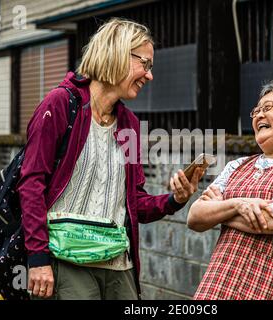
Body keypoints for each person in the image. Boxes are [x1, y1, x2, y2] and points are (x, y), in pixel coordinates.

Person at [17, 18, 203, 300]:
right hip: (66, 262)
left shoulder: (129, 124)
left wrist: (174, 200)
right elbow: (31, 183)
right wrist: (38, 257)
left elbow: (135, 204)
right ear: (117, 52)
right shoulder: (60, 104)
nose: (149, 75)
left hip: (119, 267)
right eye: (146, 64)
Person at [188, 78, 273, 300]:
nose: (259, 115)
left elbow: (270, 221)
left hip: (272, 289)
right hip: (217, 288)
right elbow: (195, 217)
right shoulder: (237, 165)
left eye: (269, 107)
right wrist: (238, 205)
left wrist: (217, 212)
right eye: (257, 111)